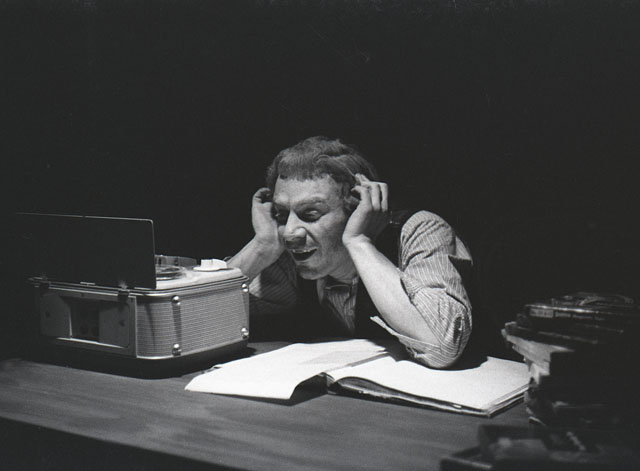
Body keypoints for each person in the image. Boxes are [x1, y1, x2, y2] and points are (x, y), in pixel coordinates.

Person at [227, 136, 472, 368]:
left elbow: (441, 347)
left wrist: (360, 242)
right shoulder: (289, 256)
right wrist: (261, 247)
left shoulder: (420, 231)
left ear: (356, 209)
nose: (290, 233)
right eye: (281, 215)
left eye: (310, 214)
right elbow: (204, 323)